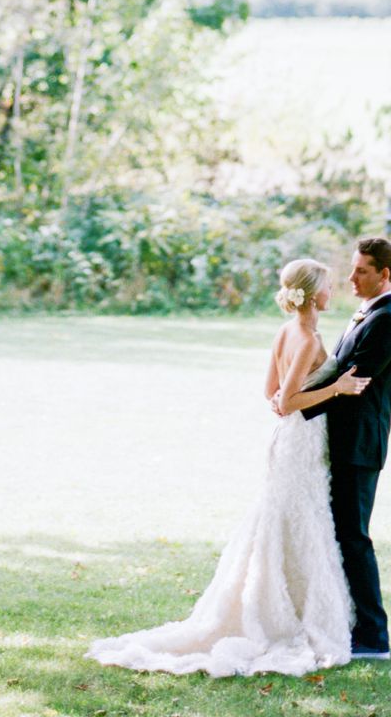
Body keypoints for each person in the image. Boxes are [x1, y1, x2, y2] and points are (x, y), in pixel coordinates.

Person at [86, 258, 368, 677]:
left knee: (286, 517)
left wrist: (291, 399)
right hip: (302, 439)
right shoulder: (306, 338)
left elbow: (270, 392)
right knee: (299, 517)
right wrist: (337, 387)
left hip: (289, 439)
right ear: (311, 294)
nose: (333, 292)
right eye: (327, 287)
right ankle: (283, 615)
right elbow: (287, 400)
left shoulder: (286, 331)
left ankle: (276, 600)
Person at [275, 236, 391, 659]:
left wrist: (292, 405)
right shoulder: (364, 315)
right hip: (331, 443)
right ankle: (342, 622)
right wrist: (290, 404)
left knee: (354, 538)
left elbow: (353, 386)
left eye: (361, 271)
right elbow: (335, 382)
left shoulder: (386, 321)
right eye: (351, 269)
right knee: (338, 536)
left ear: (383, 275)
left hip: (359, 446)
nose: (351, 277)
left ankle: (372, 636)